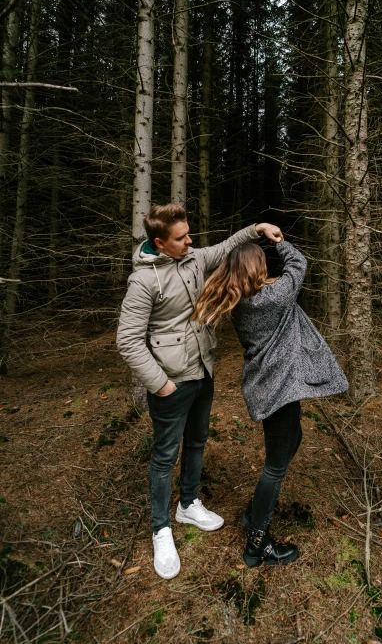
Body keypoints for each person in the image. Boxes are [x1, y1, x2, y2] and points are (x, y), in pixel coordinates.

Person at [116, 203, 283, 580]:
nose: (190, 241)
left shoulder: (191, 258)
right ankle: (161, 528)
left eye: (189, 234)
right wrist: (160, 384)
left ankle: (188, 503)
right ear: (160, 243)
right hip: (170, 383)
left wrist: (258, 227)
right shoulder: (143, 282)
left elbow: (225, 247)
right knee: (164, 456)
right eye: (181, 238)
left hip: (203, 370)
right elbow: (127, 341)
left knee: (197, 441)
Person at [193, 239, 348, 567]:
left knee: (295, 440)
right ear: (257, 268)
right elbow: (299, 263)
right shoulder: (275, 296)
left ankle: (253, 515)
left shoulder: (240, 300)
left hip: (269, 387)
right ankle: (257, 544)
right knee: (275, 467)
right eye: (262, 261)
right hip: (281, 389)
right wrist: (279, 242)